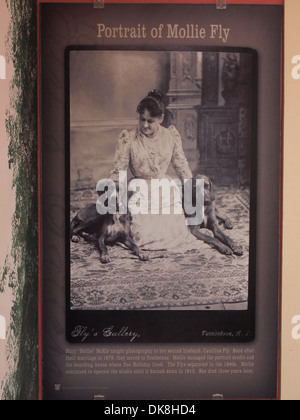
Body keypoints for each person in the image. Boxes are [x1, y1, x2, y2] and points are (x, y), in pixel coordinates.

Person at [110, 90, 195, 251]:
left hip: (164, 188)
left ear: (161, 119)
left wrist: (192, 190)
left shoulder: (170, 136)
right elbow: (118, 172)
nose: (145, 125)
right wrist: (117, 202)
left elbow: (181, 164)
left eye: (150, 121)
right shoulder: (129, 139)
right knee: (143, 232)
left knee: (172, 229)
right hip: (139, 189)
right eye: (142, 119)